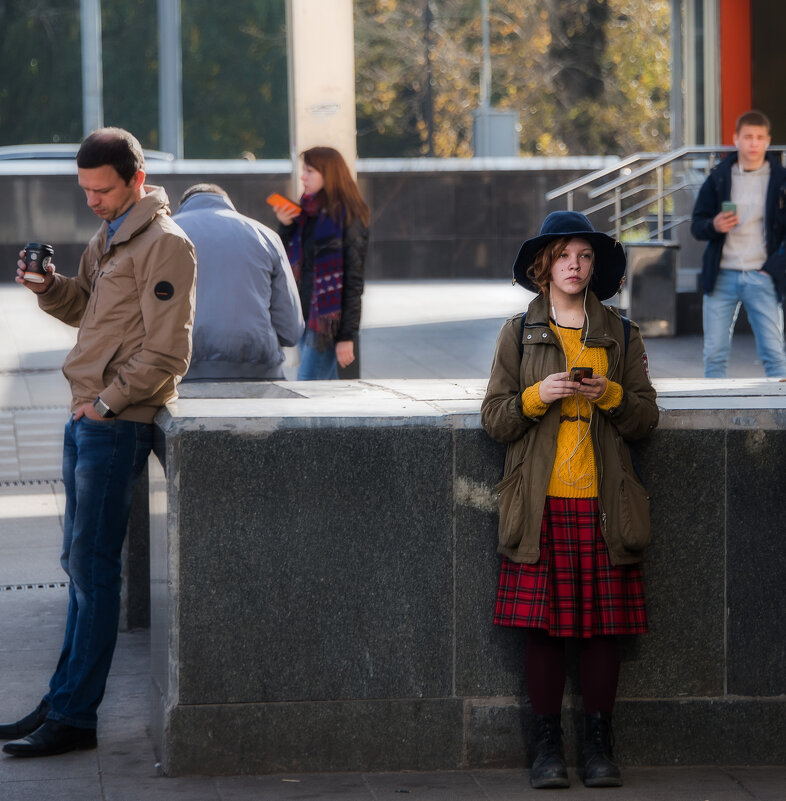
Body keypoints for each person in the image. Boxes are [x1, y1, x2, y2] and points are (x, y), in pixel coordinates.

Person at [0, 128, 196, 757]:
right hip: (88, 418)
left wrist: (106, 404)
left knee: (94, 571)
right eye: (84, 190)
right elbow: (87, 309)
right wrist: (48, 287)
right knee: (77, 570)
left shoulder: (167, 245)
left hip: (115, 424)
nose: (92, 200)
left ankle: (75, 715)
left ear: (135, 180)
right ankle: (62, 702)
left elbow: (168, 351)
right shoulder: (112, 235)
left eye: (102, 189)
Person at [481, 211, 658, 789]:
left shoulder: (621, 332)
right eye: (563, 256)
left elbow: (645, 418)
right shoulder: (518, 332)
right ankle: (546, 749)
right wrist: (538, 395)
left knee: (604, 632)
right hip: (540, 503)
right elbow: (495, 418)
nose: (574, 266)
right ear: (544, 266)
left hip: (605, 501)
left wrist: (608, 393)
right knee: (545, 631)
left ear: (594, 266)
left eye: (583, 257)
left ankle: (601, 746)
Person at [173, 184, 304, 381]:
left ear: (182, 205)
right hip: (260, 374)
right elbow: (291, 331)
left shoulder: (163, 234)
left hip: (180, 372)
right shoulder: (267, 236)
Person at [691, 109, 786, 378]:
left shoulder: (781, 180)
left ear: (768, 140)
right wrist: (714, 225)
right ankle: (712, 416)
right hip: (721, 276)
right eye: (747, 137)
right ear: (736, 139)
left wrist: (773, 267)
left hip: (762, 274)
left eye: (759, 137)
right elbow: (697, 224)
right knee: (714, 355)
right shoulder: (719, 176)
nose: (753, 143)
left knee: (774, 355)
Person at [272, 146, 369, 380]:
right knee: (326, 393)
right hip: (305, 318)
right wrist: (286, 226)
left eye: (310, 171)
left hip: (327, 327)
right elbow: (282, 261)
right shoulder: (305, 215)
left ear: (329, 174)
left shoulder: (348, 217)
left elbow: (353, 282)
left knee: (306, 388)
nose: (303, 177)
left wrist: (347, 336)